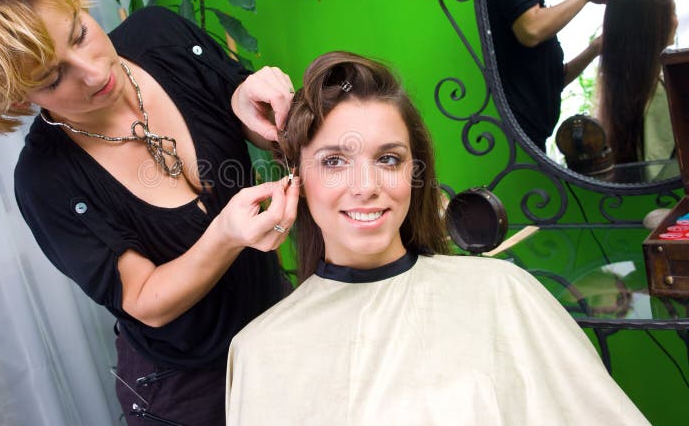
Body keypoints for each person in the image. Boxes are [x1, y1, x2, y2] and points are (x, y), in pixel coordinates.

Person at [0, 0, 300, 426]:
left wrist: (251, 101)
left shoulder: (161, 35)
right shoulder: (45, 181)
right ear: (15, 96)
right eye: (53, 79)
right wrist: (225, 236)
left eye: (80, 33)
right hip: (189, 389)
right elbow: (145, 300)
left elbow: (241, 113)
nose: (95, 72)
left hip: (277, 322)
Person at [226, 51, 648, 425]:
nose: (366, 186)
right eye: (334, 161)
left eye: (388, 158)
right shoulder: (259, 352)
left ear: (414, 172)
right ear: (296, 178)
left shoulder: (500, 293)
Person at [487, 0, 617, 150]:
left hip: (533, 137)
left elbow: (556, 79)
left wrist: (595, 48)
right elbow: (531, 30)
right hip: (513, 133)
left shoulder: (540, 9)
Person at [597, 0, 678, 165]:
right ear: (652, 29)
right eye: (672, 14)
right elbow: (656, 171)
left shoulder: (620, 89)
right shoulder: (662, 92)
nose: (676, 21)